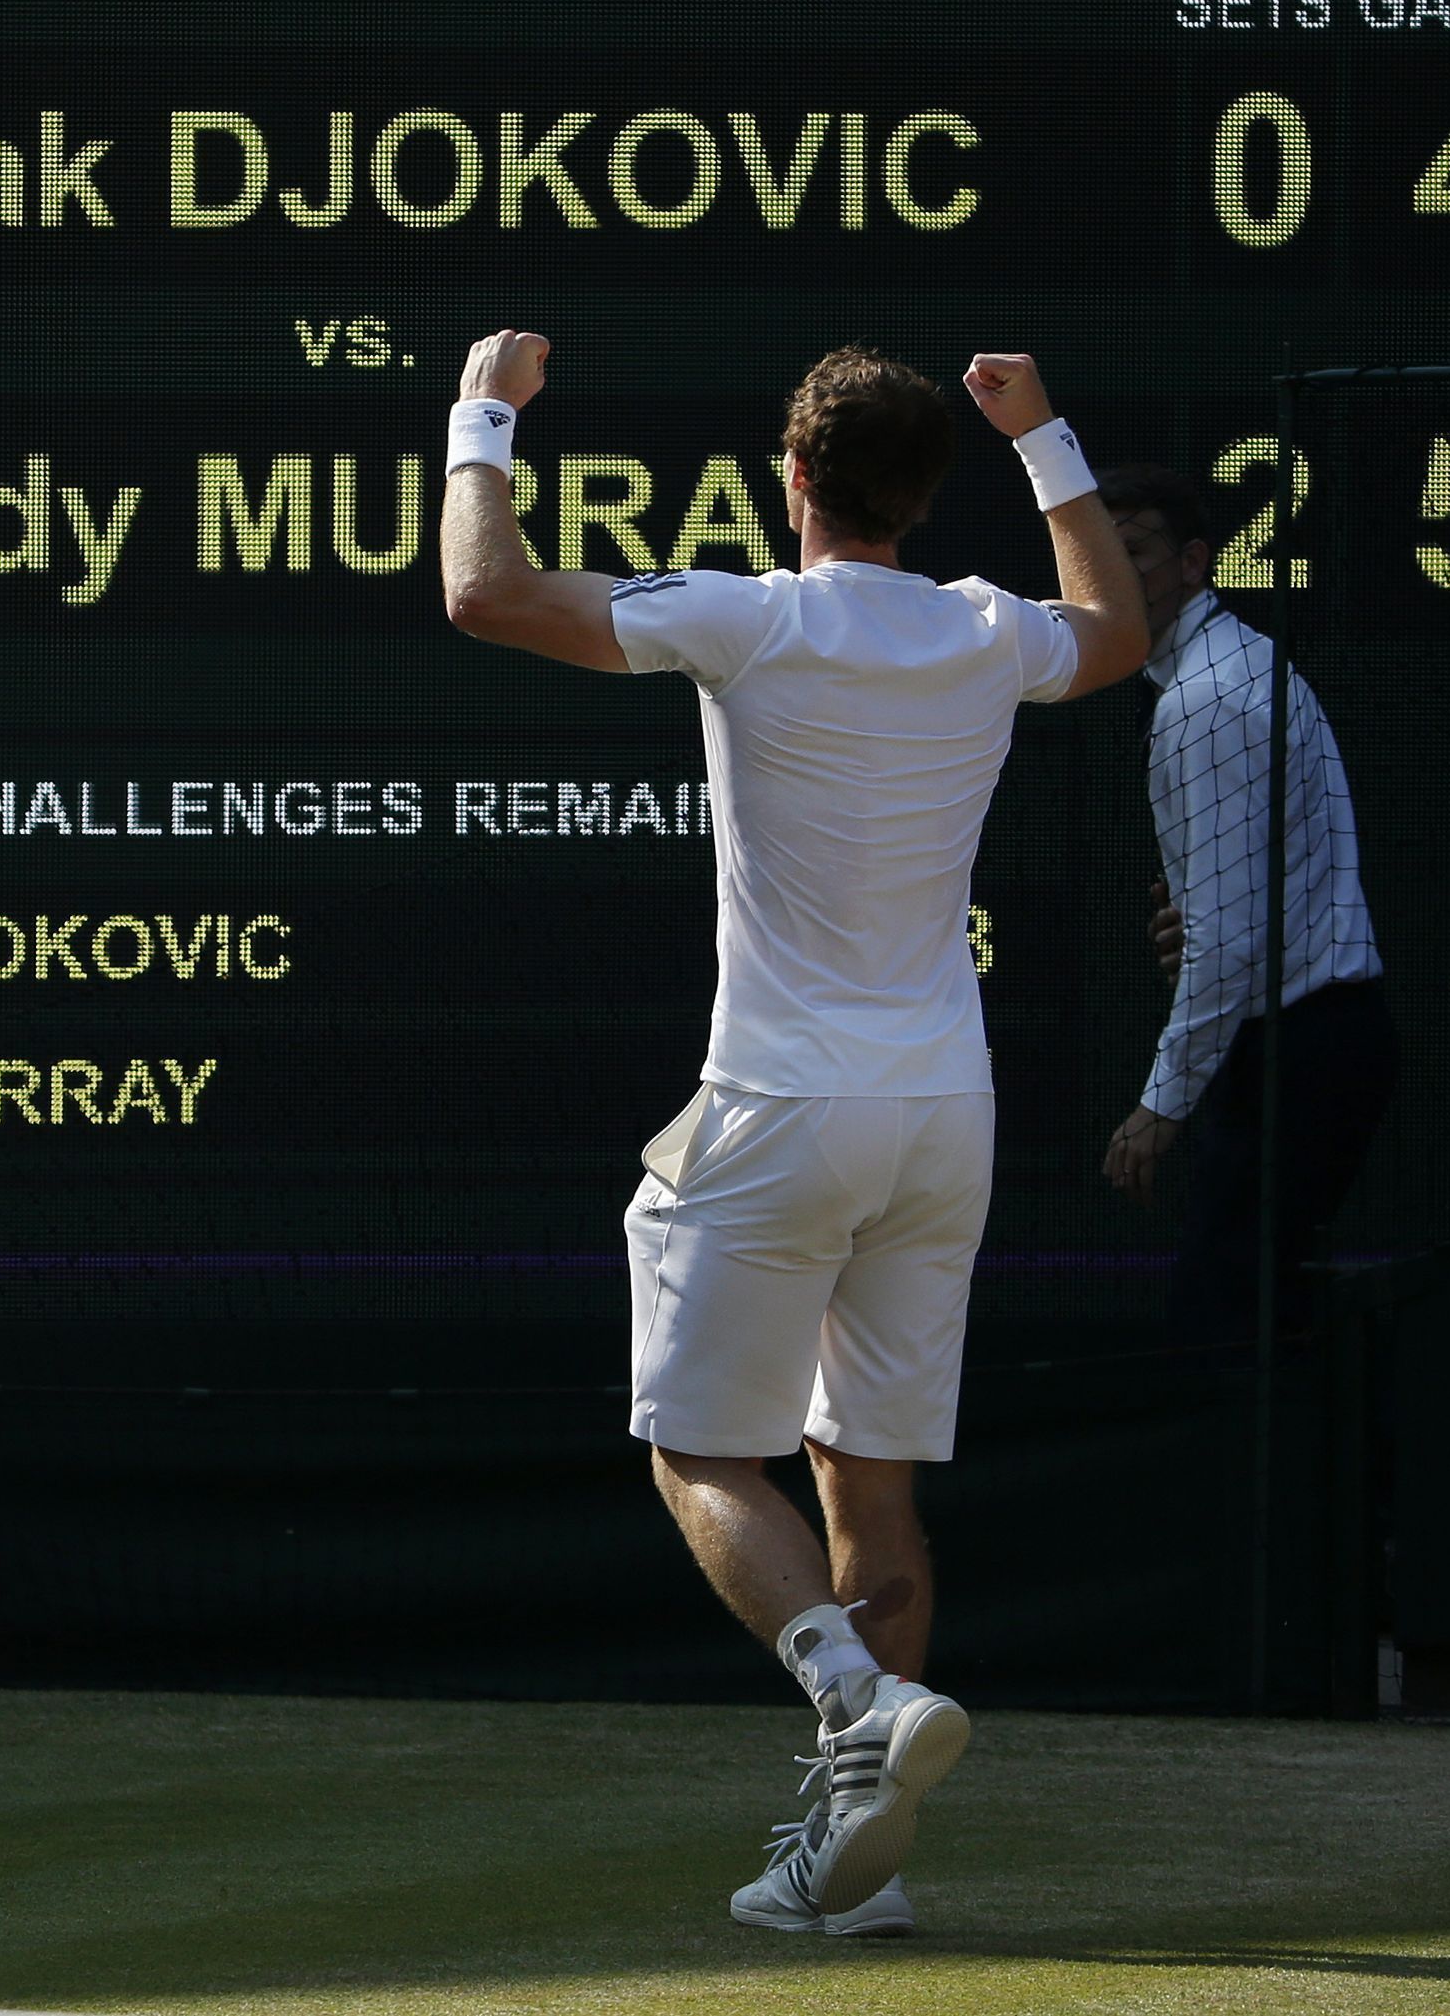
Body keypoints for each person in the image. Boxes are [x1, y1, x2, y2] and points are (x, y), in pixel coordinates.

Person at [437, 331, 1146, 1933]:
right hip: (941, 1117)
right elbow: (1114, 631)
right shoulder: (982, 630)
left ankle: (853, 1693)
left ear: (795, 479)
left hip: (780, 1107)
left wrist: (484, 410)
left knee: (700, 1448)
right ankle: (849, 1865)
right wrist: (1048, 442)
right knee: (867, 1481)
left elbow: (486, 591)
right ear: (924, 493)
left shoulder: (749, 613)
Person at [1093, 465, 1394, 1343]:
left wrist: (1158, 1108)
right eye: (1094, 554)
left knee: (1225, 1339)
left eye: (1133, 551)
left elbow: (1230, 945)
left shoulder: (1206, 699)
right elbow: (1244, 911)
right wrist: (1201, 913)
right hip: (1308, 1039)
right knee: (1261, 1326)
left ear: (1192, 562)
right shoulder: (1229, 672)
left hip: (1299, 1050)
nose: (1110, 573)